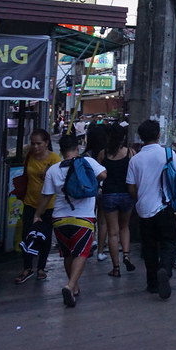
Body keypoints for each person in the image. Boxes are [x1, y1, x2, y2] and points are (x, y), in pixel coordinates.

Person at [31, 133, 106, 307]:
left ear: (61, 149)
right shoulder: (87, 162)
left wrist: (37, 215)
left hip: (59, 219)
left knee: (67, 253)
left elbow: (45, 197)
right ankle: (70, 284)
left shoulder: (53, 169)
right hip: (83, 218)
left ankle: (75, 287)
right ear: (77, 148)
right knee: (81, 253)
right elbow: (104, 175)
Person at [126, 119, 176, 300]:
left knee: (149, 247)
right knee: (170, 241)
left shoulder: (135, 159)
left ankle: (152, 284)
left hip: (144, 210)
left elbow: (131, 187)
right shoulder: (167, 154)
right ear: (158, 135)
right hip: (164, 207)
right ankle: (165, 269)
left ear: (141, 137)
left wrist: (140, 199)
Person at [15, 129, 61, 284]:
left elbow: (59, 182)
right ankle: (27, 267)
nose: (35, 147)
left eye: (38, 143)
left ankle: (41, 267)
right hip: (30, 202)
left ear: (46, 143)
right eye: (33, 143)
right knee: (26, 236)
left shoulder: (54, 159)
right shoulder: (29, 156)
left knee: (45, 237)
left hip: (49, 205)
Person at [97, 123, 136, 277]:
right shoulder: (130, 153)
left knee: (112, 233)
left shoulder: (103, 154)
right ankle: (126, 255)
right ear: (124, 137)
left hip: (108, 195)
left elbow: (98, 174)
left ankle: (116, 268)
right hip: (126, 194)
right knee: (124, 227)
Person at [84, 123, 111, 262]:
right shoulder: (108, 153)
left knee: (89, 218)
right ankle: (101, 250)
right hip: (105, 191)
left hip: (88, 193)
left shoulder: (86, 155)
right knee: (102, 222)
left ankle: (90, 241)